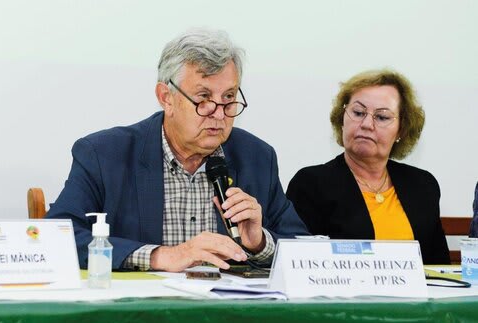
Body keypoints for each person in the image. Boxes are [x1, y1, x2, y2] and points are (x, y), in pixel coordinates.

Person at [46, 28, 308, 272]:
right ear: (166, 97)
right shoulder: (104, 155)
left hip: (226, 315)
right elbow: (57, 238)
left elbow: (305, 250)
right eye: (203, 98)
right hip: (141, 314)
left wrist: (260, 243)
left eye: (228, 98)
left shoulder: (257, 157)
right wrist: (161, 256)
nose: (219, 114)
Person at [286, 69, 450, 264]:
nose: (366, 124)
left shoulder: (423, 185)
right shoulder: (311, 183)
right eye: (358, 112)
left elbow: (439, 265)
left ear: (402, 130)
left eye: (381, 117)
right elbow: (300, 263)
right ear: (342, 118)